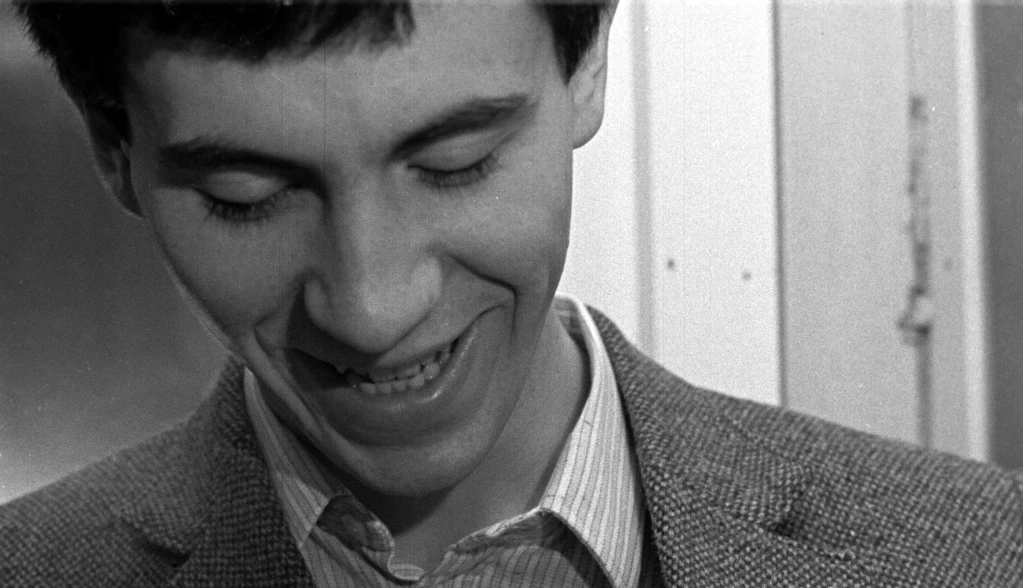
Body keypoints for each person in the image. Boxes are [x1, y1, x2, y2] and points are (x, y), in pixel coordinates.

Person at [2, 1, 1020, 586]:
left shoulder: (979, 553)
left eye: (455, 164)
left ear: (586, 63)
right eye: (247, 197)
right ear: (114, 148)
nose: (371, 306)